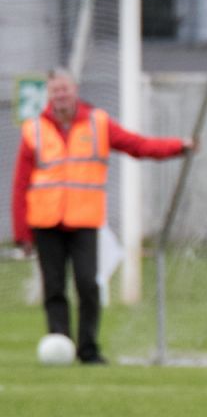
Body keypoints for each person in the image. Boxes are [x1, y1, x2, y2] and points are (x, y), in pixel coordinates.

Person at [10, 68, 195, 364]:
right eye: (55, 90)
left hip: (84, 219)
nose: (61, 95)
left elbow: (138, 145)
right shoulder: (34, 129)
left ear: (75, 90)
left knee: (88, 284)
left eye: (65, 89)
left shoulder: (97, 123)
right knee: (54, 287)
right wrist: (22, 233)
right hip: (45, 221)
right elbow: (21, 184)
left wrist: (177, 147)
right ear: (49, 94)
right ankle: (61, 344)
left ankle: (88, 349)